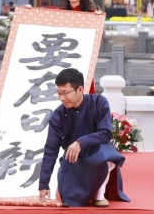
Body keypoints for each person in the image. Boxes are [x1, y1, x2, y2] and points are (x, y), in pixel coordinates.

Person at [39, 68, 129, 207]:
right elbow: (51, 149)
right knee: (69, 201)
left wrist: (80, 142)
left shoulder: (99, 102)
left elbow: (106, 133)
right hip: (74, 159)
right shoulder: (57, 116)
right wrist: (43, 184)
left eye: (65, 93)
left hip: (97, 153)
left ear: (80, 89)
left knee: (107, 154)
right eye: (59, 93)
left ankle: (99, 195)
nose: (62, 98)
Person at [62, 0, 100, 93]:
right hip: (63, 62)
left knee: (84, 98)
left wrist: (98, 22)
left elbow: (97, 40)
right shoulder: (59, 14)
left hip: (83, 63)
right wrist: (28, 12)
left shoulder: (91, 14)